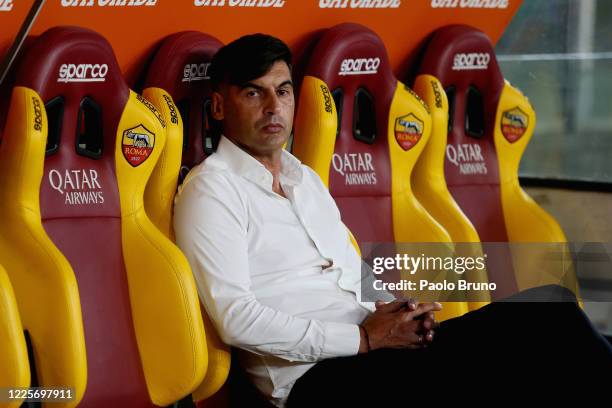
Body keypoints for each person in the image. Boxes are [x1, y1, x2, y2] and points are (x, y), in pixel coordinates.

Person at [173, 34, 612, 407]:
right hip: (319, 379)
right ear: (217, 105)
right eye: (254, 92)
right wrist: (364, 340)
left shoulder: (303, 177)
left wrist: (400, 312)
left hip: (379, 349)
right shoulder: (210, 189)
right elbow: (237, 318)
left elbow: (351, 273)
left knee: (552, 309)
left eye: (283, 91)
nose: (274, 107)